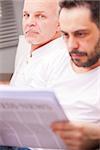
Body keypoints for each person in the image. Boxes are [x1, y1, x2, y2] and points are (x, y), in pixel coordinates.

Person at [51, 0, 100, 150]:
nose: (71, 45)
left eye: (80, 34)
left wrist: (97, 136)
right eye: (65, 35)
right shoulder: (53, 62)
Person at [10, 0, 69, 89]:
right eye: (26, 15)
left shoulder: (62, 61)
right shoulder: (29, 51)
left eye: (41, 16)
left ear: (60, 23)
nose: (29, 23)